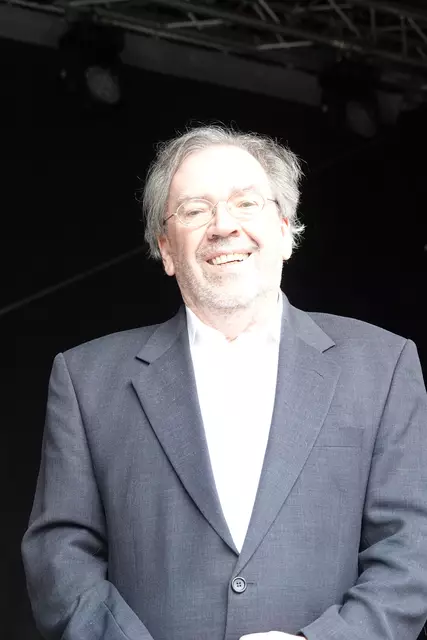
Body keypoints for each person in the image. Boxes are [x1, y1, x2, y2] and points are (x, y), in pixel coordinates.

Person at [22, 124, 427, 640]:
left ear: (285, 230)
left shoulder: (383, 365)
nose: (223, 226)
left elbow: (412, 548)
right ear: (166, 249)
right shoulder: (86, 380)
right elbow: (60, 560)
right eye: (195, 210)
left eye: (245, 204)